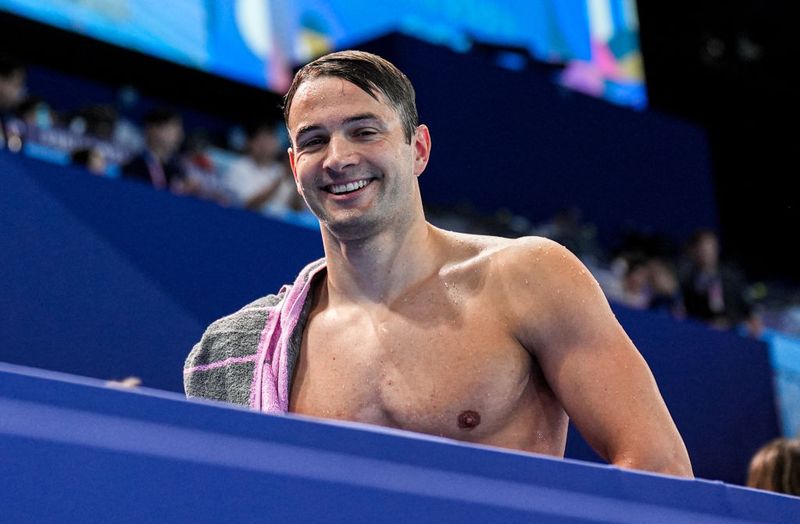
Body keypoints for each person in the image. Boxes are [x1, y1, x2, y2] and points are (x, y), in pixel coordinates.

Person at [184, 50, 692, 477]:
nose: (337, 157)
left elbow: (658, 464)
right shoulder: (246, 349)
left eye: (364, 131)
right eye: (314, 141)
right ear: (295, 168)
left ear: (419, 149)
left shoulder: (527, 278)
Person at [679, 229, 761, 335]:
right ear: (694, 251)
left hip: (735, 331)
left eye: (711, 248)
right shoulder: (688, 281)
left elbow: (746, 305)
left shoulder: (731, 276)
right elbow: (688, 312)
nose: (707, 253)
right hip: (704, 333)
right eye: (703, 249)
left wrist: (749, 320)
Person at [223, 120, 301, 217]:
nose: (265, 145)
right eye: (261, 139)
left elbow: (296, 208)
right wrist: (278, 181)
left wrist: (297, 180)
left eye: (270, 139)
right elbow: (249, 204)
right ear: (250, 143)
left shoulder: (280, 169)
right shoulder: (239, 167)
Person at [121, 108, 186, 191]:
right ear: (153, 129)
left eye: (180, 130)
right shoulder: (133, 165)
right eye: (173, 128)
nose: (180, 135)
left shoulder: (177, 172)